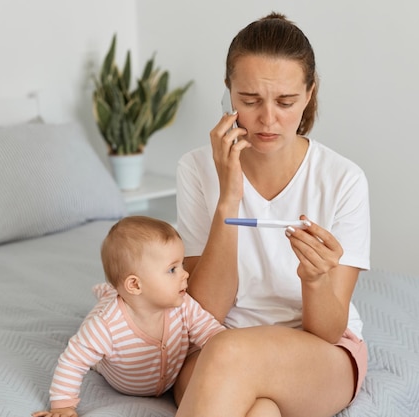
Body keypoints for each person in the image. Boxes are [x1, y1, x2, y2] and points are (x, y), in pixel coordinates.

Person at [173, 12, 370, 417]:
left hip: (319, 352)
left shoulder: (343, 179)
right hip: (218, 340)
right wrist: (229, 195)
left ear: (309, 94)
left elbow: (328, 331)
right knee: (260, 410)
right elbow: (206, 309)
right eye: (249, 100)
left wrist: (315, 279)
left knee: (228, 353)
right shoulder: (195, 170)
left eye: (285, 102)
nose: (267, 119)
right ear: (229, 92)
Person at [32, 216, 225, 417]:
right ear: (135, 284)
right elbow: (72, 362)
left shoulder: (184, 306)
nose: (185, 274)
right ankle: (107, 295)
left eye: (182, 265)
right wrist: (63, 407)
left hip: (167, 379)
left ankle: (109, 291)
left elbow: (213, 335)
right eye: (172, 269)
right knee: (91, 340)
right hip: (117, 370)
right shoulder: (106, 326)